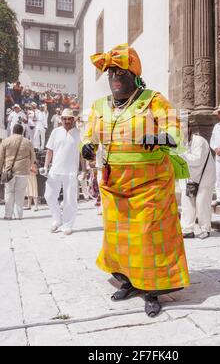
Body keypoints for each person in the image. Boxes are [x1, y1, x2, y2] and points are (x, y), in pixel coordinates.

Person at [81, 43, 190, 318]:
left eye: (121, 74)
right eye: (111, 75)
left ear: (135, 76)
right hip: (114, 185)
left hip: (150, 185)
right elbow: (91, 134)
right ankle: (129, 281)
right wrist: (88, 146)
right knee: (120, 238)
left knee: (148, 237)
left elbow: (176, 133)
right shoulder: (99, 106)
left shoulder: (153, 100)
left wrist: (157, 138)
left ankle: (152, 290)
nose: (115, 80)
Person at [43, 109, 83, 236]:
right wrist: (45, 166)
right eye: (64, 119)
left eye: (69, 119)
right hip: (55, 170)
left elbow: (82, 154)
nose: (67, 121)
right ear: (61, 119)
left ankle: (67, 224)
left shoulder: (79, 133)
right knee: (48, 195)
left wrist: (85, 170)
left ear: (73, 119)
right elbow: (49, 150)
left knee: (70, 200)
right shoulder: (55, 132)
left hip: (71, 171)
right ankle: (57, 219)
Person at [180, 123, 216, 240]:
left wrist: (179, 153)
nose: (180, 130)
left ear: (189, 128)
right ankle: (187, 230)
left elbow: (196, 160)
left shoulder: (199, 141)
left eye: (183, 127)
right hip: (189, 177)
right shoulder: (180, 142)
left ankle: (205, 229)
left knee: (202, 203)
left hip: (204, 176)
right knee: (186, 204)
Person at [0, 124, 36, 220]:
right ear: (22, 131)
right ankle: (19, 215)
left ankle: (8, 215)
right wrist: (28, 166)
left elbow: (0, 158)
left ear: (12, 131)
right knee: (20, 193)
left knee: (9, 192)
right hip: (23, 172)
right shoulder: (28, 142)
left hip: (9, 171)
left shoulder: (6, 141)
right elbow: (33, 157)